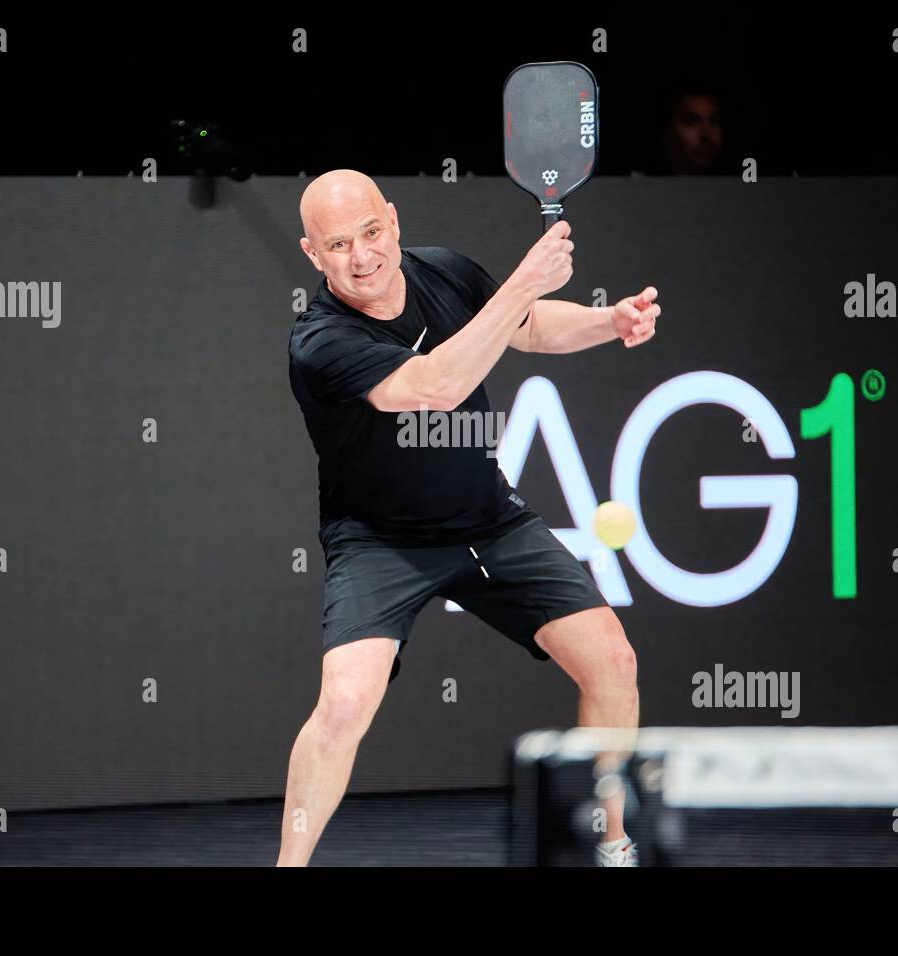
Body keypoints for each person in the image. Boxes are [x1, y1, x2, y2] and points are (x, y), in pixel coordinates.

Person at [280, 169, 657, 866]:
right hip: (380, 543)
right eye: (338, 244)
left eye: (370, 232)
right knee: (341, 707)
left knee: (612, 660)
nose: (362, 255)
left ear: (392, 220)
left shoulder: (445, 272)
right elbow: (438, 385)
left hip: (489, 521)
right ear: (312, 254)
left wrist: (609, 320)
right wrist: (525, 278)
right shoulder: (319, 342)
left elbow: (531, 325)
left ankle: (612, 844)